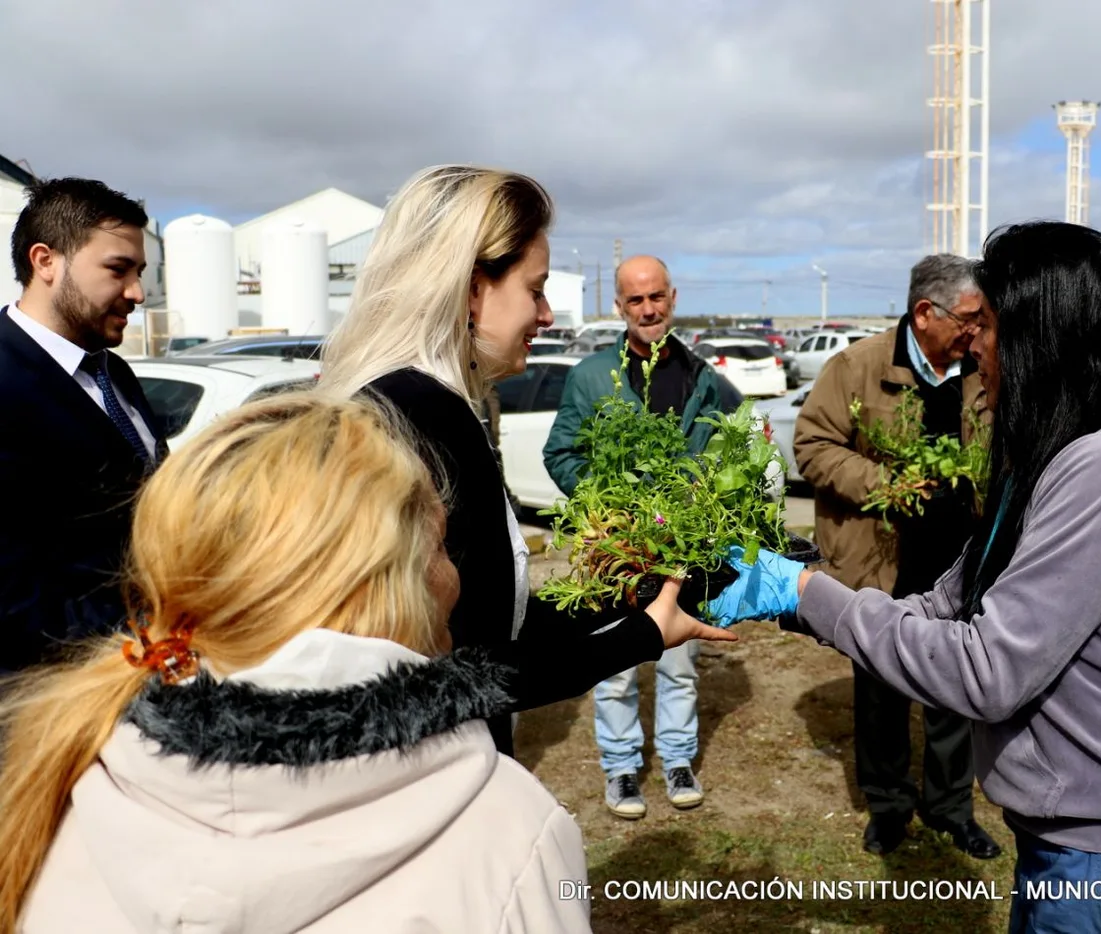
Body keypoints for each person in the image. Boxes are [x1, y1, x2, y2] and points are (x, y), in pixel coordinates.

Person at [3, 393, 701, 932]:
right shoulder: (506, 829)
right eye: (439, 548)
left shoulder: (64, 787)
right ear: (381, 582)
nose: (454, 577)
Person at [709, 222, 1101, 934]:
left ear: (1045, 331)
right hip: (1072, 848)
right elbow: (945, 605)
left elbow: (986, 670)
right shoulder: (1048, 456)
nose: (973, 345)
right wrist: (797, 598)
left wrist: (807, 593)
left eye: (985, 326)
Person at [318, 167, 734, 758]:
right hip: (439, 768)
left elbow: (495, 615)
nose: (546, 316)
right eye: (535, 290)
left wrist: (631, 598)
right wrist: (640, 636)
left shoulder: (402, 400)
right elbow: (475, 669)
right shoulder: (426, 417)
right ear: (469, 287)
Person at [792, 254, 997, 859]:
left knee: (954, 689)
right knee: (880, 690)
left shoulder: (980, 368)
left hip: (958, 563)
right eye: (968, 317)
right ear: (924, 313)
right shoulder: (856, 367)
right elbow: (812, 445)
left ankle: (951, 808)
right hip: (878, 562)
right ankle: (888, 806)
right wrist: (885, 485)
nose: (976, 329)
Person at [543, 255, 742, 820]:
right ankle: (622, 768)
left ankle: (678, 758)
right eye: (636, 300)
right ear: (619, 307)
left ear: (672, 298)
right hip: (618, 550)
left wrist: (715, 495)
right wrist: (606, 503)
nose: (648, 309)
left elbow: (741, 442)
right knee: (615, 665)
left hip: (679, 549)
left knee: (678, 660)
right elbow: (560, 452)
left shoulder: (703, 377)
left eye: (656, 297)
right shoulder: (591, 376)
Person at [0, 178, 166, 674]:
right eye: (118, 270)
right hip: (53, 697)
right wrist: (151, 629)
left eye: (138, 272)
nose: (136, 293)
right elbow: (12, 603)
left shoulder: (113, 371)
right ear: (45, 261)